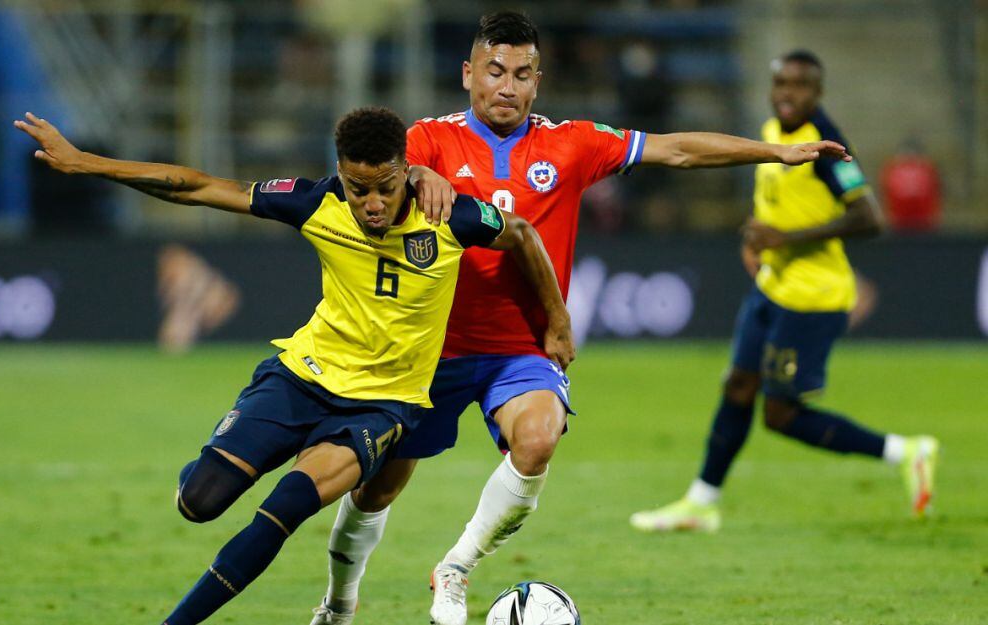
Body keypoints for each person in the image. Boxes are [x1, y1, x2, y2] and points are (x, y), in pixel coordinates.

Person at [312, 14, 855, 625]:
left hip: (519, 350)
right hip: (430, 349)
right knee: (377, 489)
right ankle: (338, 602)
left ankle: (456, 568)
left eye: (521, 74)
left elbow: (674, 149)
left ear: (537, 82)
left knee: (540, 438)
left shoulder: (569, 143)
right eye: (494, 72)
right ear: (468, 75)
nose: (507, 87)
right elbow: (377, 174)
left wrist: (776, 152)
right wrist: (418, 172)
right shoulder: (430, 139)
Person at [14, 106, 571, 624]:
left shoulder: (450, 217)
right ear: (340, 174)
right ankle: (228, 456)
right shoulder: (317, 203)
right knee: (198, 501)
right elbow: (201, 187)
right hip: (302, 377)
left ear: (408, 171)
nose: (372, 204)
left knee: (284, 509)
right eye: (358, 190)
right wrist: (85, 163)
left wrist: (556, 318)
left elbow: (521, 233)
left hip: (382, 406)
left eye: (385, 187)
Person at [629, 50, 939, 534]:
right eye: (781, 84)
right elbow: (777, 202)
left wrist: (785, 240)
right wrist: (759, 236)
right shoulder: (774, 133)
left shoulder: (824, 145)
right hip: (773, 286)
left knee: (780, 414)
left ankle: (906, 451)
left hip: (812, 298)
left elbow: (869, 217)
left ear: (817, 94)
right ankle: (701, 502)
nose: (787, 93)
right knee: (737, 385)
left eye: (799, 85)